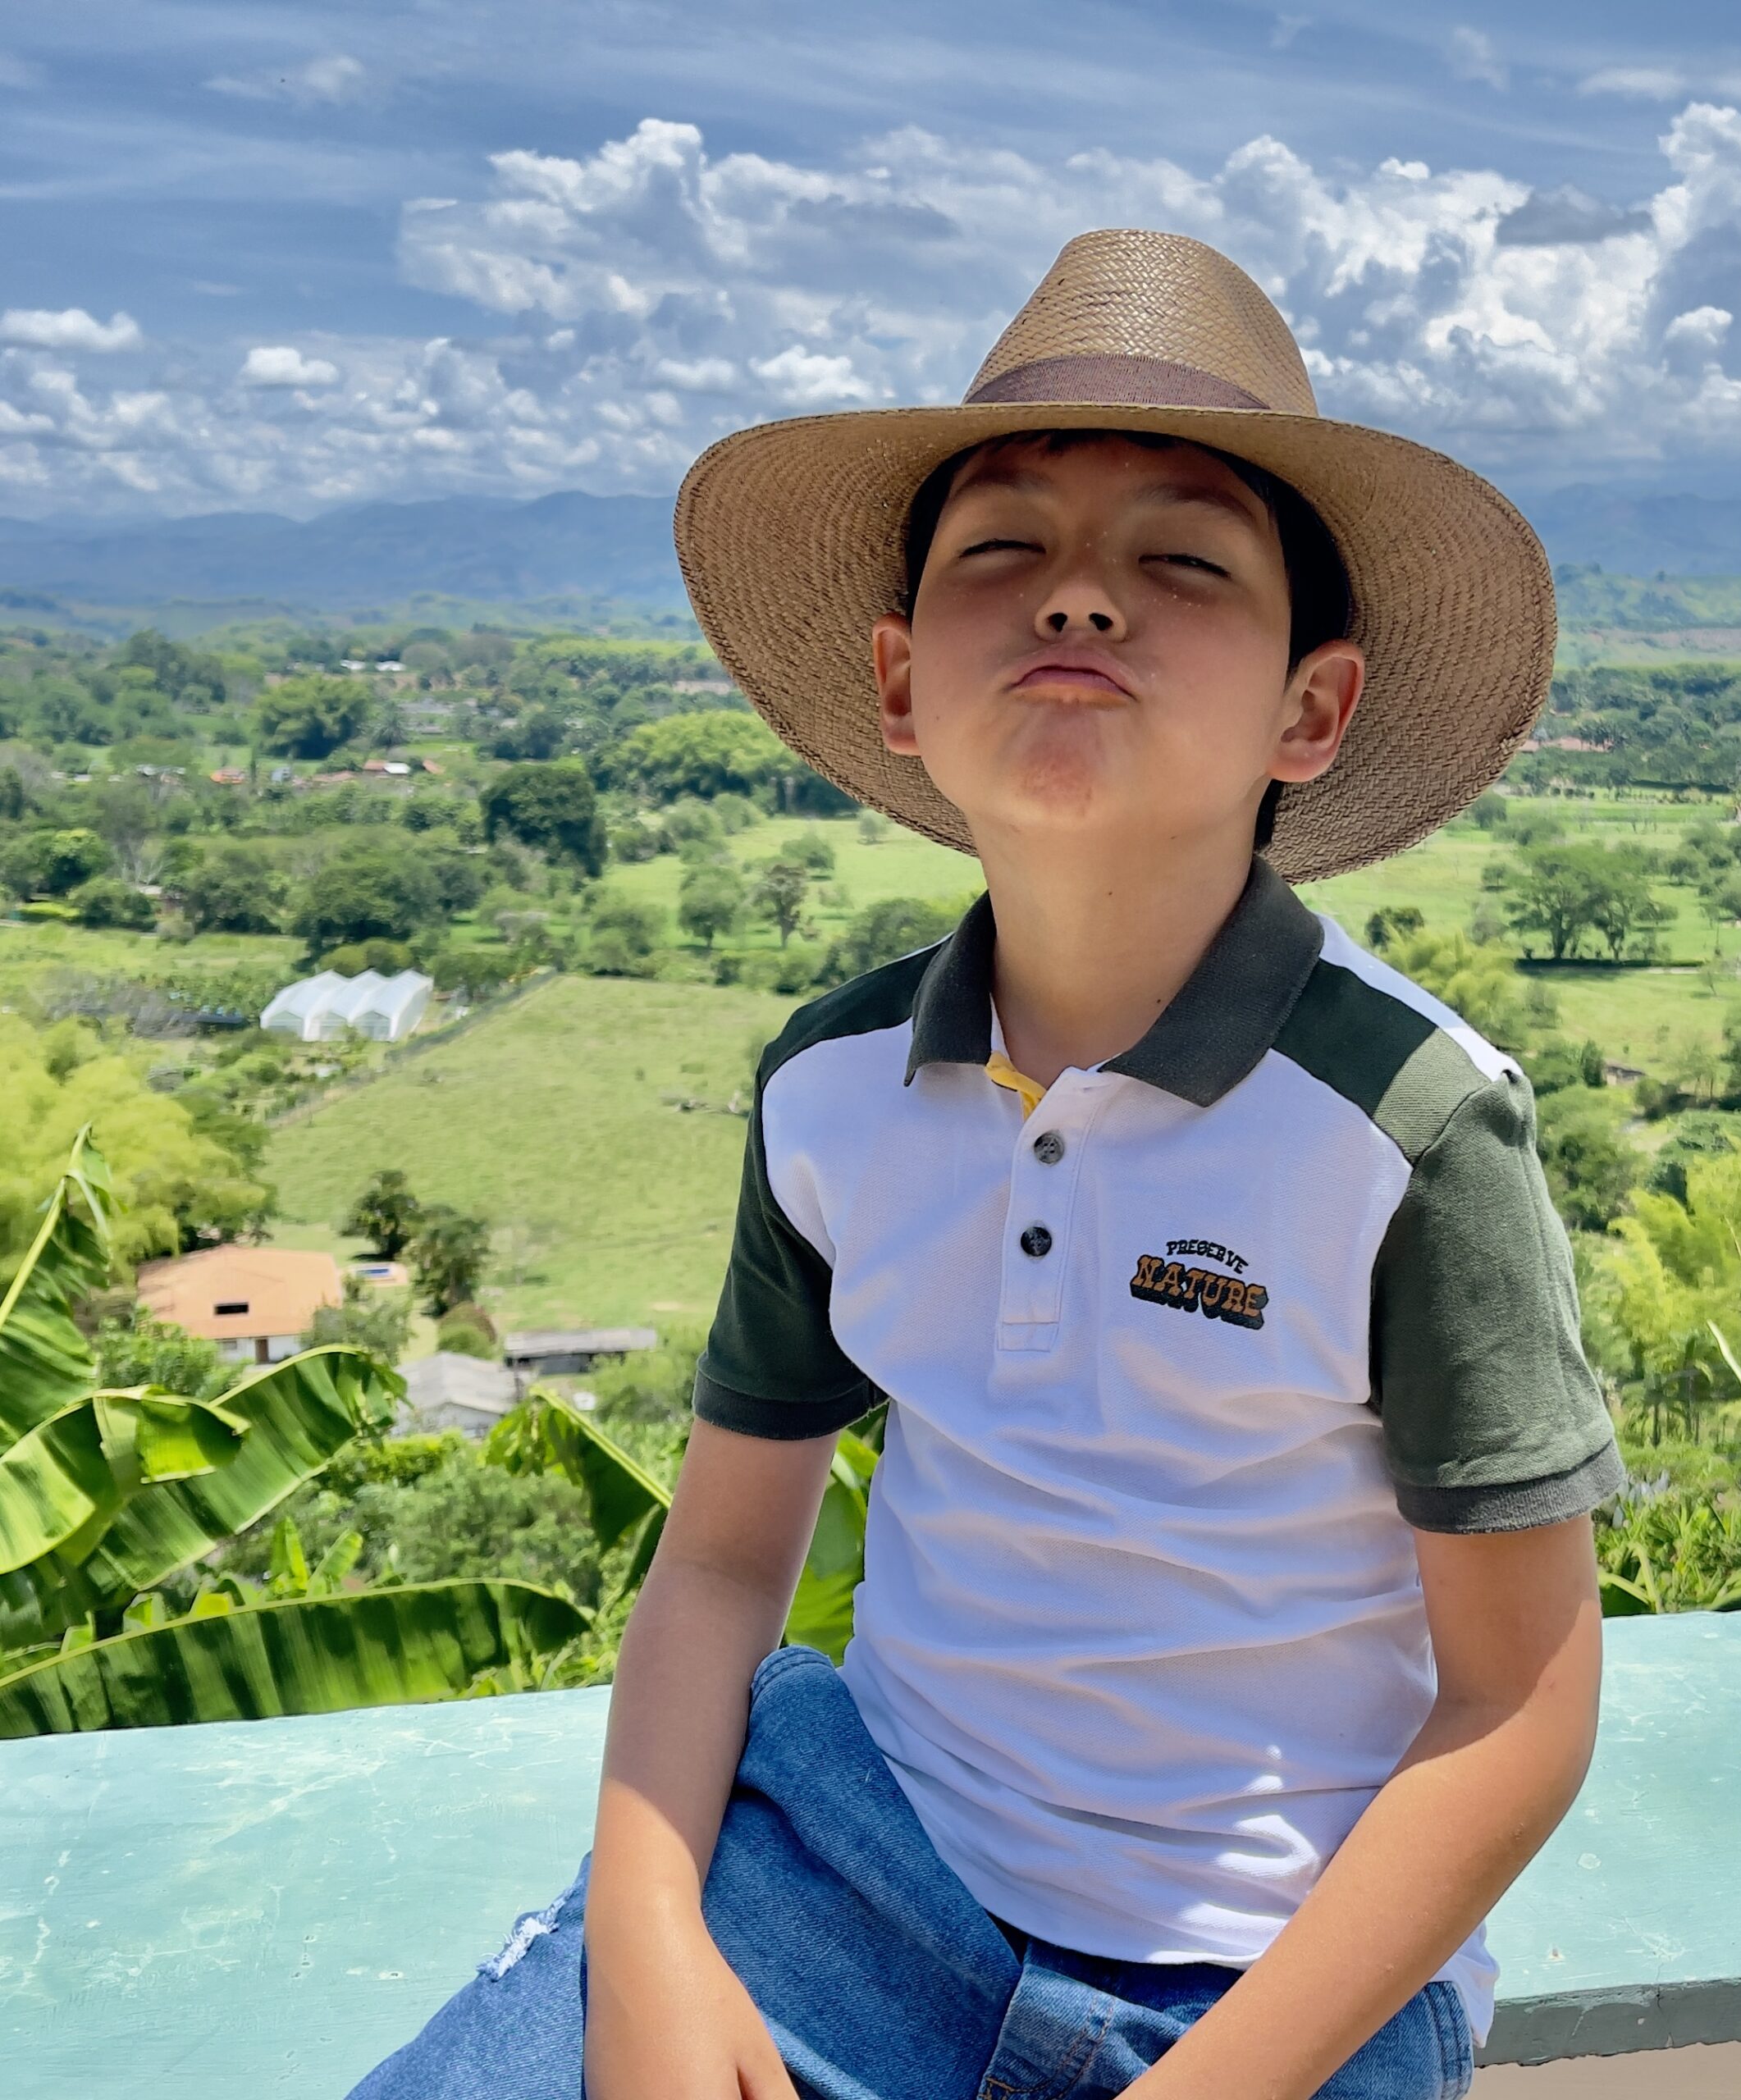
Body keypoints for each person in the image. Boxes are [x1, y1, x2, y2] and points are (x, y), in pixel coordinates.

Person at [352, 227, 1624, 2100]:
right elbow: (718, 1562)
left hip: (1274, 1978)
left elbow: (1517, 1699)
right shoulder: (831, 1089)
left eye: (1181, 559)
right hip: (862, 1870)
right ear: (897, 676)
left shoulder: (1409, 1123)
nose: (1078, 603)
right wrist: (645, 1941)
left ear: (1311, 708)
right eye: (1000, 550)